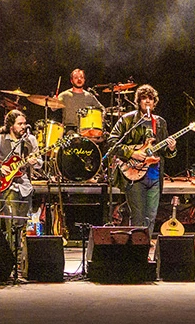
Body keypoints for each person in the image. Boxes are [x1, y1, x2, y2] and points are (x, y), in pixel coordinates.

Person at [107, 84, 176, 236]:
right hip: (134, 174)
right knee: (137, 216)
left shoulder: (160, 122)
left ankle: (145, 245)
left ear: (154, 102)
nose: (147, 102)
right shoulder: (128, 120)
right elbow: (112, 142)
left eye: (150, 99)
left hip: (155, 175)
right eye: (144, 99)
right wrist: (133, 153)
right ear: (138, 101)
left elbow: (164, 152)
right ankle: (136, 249)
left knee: (151, 216)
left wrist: (171, 148)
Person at [0, 110, 43, 248]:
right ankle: (11, 253)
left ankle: (21, 254)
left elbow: (40, 163)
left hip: (25, 186)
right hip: (7, 185)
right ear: (11, 126)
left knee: (22, 223)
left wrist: (34, 162)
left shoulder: (30, 140)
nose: (23, 126)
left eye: (25, 123)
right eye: (20, 124)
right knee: (11, 222)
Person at [56, 68, 104, 133]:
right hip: (69, 128)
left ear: (84, 80)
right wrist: (54, 100)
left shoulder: (89, 96)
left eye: (81, 77)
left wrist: (102, 117)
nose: (79, 79)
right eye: (76, 77)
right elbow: (53, 107)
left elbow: (102, 109)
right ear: (71, 81)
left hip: (86, 129)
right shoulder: (65, 95)